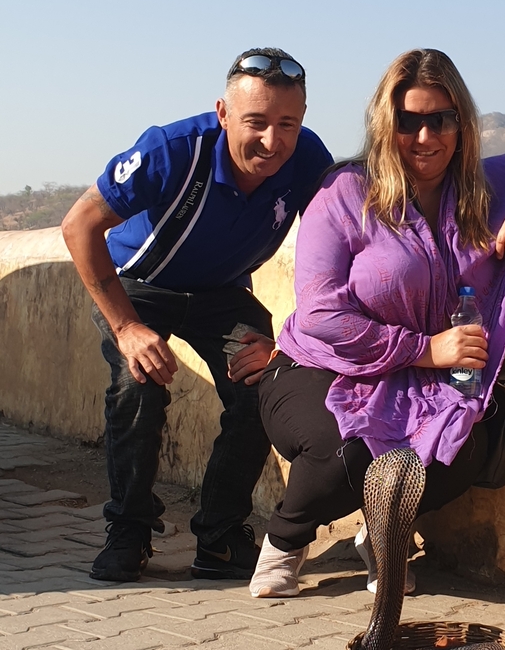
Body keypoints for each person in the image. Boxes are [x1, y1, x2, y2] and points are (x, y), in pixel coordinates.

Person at [249, 47, 505, 598]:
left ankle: (383, 533)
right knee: (348, 448)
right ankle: (285, 539)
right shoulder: (344, 193)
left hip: (425, 384)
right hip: (317, 367)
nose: (425, 138)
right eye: (408, 122)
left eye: (439, 120)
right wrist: (425, 349)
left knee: (458, 448)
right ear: (384, 124)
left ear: (460, 124)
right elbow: (322, 313)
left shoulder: (485, 188)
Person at [62, 49, 333, 584]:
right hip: (138, 287)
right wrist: (126, 328)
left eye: (288, 124)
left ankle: (221, 536)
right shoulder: (172, 150)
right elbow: (78, 226)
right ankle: (129, 530)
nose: (272, 142)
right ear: (223, 113)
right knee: (135, 385)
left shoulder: (306, 158)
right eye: (255, 122)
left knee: (265, 384)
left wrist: (295, 345)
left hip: (222, 293)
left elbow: (338, 245)